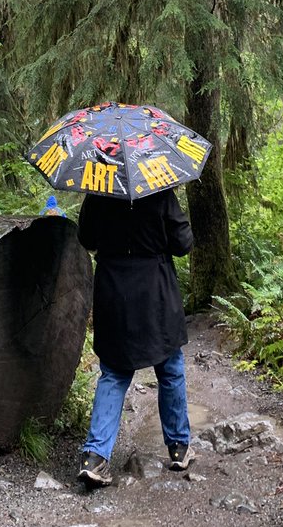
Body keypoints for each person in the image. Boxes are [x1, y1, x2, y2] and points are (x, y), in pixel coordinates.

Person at [76, 187, 195, 487]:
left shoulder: (99, 189)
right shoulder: (159, 189)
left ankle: (95, 457)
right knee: (170, 368)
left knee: (113, 373)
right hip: (155, 292)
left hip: (113, 289)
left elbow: (86, 239)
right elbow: (183, 244)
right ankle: (179, 448)